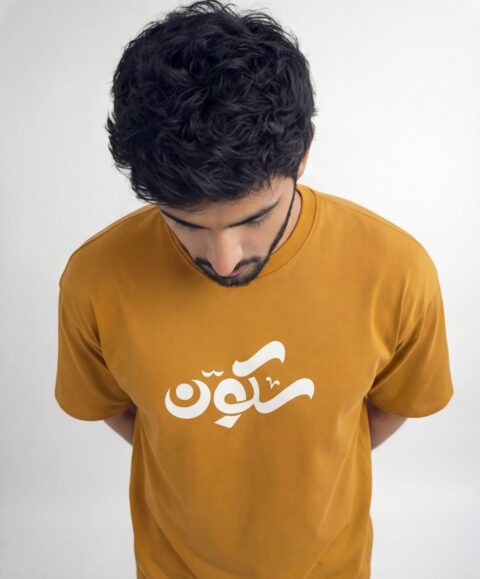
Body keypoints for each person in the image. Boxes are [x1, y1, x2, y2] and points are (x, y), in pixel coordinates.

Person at [54, 1, 454, 577]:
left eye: (255, 219)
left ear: (304, 152)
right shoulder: (95, 278)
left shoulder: (397, 270)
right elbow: (112, 406)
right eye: (184, 223)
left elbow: (396, 403)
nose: (224, 259)